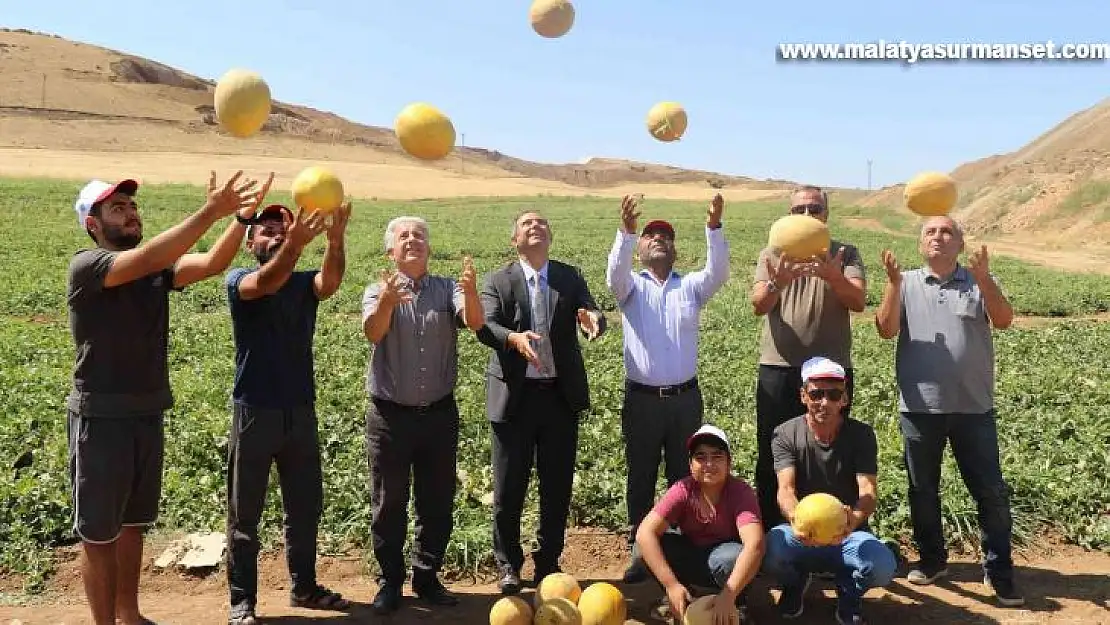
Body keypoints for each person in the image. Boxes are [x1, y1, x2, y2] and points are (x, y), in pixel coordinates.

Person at [66, 171, 268, 625]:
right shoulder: (88, 266)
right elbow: (152, 255)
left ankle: (129, 614)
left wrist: (242, 218)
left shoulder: (153, 268)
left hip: (146, 411)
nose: (131, 212)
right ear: (93, 225)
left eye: (133, 206)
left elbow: (212, 263)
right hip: (101, 418)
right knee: (99, 533)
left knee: (133, 524)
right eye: (117, 208)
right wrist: (210, 211)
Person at [874, 216, 1023, 607]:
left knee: (989, 491)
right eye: (930, 232)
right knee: (923, 490)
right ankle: (933, 559)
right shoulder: (904, 282)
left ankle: (999, 570)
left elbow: (1004, 320)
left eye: (947, 232)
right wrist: (891, 285)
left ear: (960, 243)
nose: (938, 237)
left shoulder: (978, 280)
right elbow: (885, 330)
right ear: (920, 243)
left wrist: (986, 279)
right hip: (920, 408)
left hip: (974, 408)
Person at [223, 199, 352, 625]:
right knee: (245, 515)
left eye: (283, 229)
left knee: (304, 508)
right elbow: (268, 280)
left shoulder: (300, 282)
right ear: (249, 243)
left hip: (299, 410)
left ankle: (304, 587)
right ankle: (243, 602)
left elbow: (329, 283)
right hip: (254, 412)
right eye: (267, 230)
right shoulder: (240, 279)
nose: (277, 234)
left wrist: (335, 239)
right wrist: (296, 243)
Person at [475, 209, 607, 595]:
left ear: (550, 237)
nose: (536, 227)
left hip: (557, 398)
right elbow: (486, 324)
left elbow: (592, 311)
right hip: (514, 399)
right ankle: (508, 565)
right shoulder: (499, 280)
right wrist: (512, 340)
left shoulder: (569, 276)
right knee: (508, 488)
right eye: (526, 224)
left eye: (542, 223)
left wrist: (593, 321)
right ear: (514, 240)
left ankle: (548, 563)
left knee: (556, 487)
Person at [361, 216, 484, 614]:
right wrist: (386, 303)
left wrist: (472, 292)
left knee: (436, 500)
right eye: (404, 236)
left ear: (428, 249)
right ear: (391, 251)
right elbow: (374, 333)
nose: (413, 240)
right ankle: (390, 581)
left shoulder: (449, 289)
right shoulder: (377, 289)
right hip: (389, 417)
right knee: (389, 501)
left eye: (420, 236)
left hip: (437, 416)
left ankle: (427, 577)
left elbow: (475, 321)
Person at [606, 193, 731, 583]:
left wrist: (713, 228)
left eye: (665, 235)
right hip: (642, 400)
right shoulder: (630, 289)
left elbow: (719, 272)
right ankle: (640, 549)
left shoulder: (690, 287)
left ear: (675, 250)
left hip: (684, 399)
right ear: (640, 249)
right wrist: (625, 234)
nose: (658, 238)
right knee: (641, 475)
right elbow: (614, 276)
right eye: (650, 235)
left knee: (684, 473)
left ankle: (680, 545)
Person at [749, 186, 867, 529]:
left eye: (814, 209)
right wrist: (777, 284)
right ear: (788, 214)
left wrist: (833, 276)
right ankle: (773, 530)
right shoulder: (772, 253)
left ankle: (830, 527)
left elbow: (858, 301)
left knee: (831, 449)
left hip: (830, 373)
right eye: (798, 209)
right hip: (778, 368)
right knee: (773, 450)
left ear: (826, 215)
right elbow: (759, 305)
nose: (806, 216)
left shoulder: (844, 253)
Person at [762, 356, 897, 625]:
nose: (824, 402)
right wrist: (796, 521)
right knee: (770, 550)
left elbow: (867, 491)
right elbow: (785, 490)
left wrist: (852, 521)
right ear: (803, 395)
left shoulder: (861, 435)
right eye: (816, 394)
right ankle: (795, 582)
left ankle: (849, 591)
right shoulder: (785, 433)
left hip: (848, 533)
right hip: (801, 533)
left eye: (834, 395)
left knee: (883, 566)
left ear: (844, 399)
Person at [636, 424, 764, 625]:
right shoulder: (683, 489)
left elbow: (755, 544)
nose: (709, 464)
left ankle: (737, 605)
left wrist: (728, 595)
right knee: (642, 548)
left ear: (729, 463)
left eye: (717, 456)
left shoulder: (740, 492)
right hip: (693, 555)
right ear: (690, 464)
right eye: (701, 457)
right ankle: (684, 597)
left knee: (730, 558)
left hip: (724, 564)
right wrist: (671, 585)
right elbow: (645, 532)